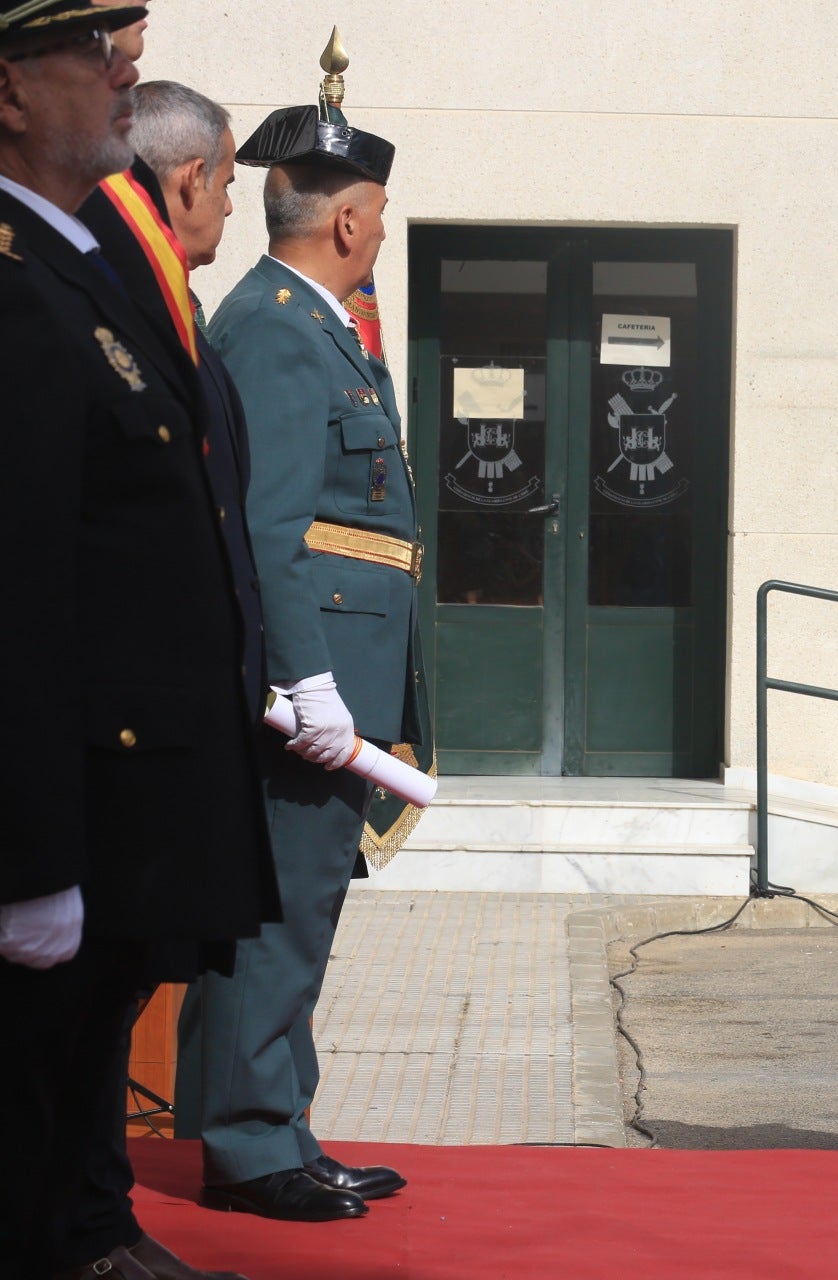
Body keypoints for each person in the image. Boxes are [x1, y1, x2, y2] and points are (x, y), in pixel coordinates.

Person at [0, 5, 279, 1276]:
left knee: (73, 1078)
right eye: (89, 52)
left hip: (126, 782)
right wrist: (29, 853)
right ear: (11, 92)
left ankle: (89, 1229)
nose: (125, 69)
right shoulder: (20, 283)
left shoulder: (84, 267)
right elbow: (21, 585)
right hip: (69, 794)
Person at [172, 86, 425, 1220]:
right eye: (376, 214)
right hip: (306, 684)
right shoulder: (279, 326)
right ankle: (247, 1144)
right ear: (350, 224)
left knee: (299, 908)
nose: (375, 233)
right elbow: (269, 525)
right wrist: (305, 676)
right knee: (273, 914)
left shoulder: (307, 320)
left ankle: (282, 1125)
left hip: (335, 674)